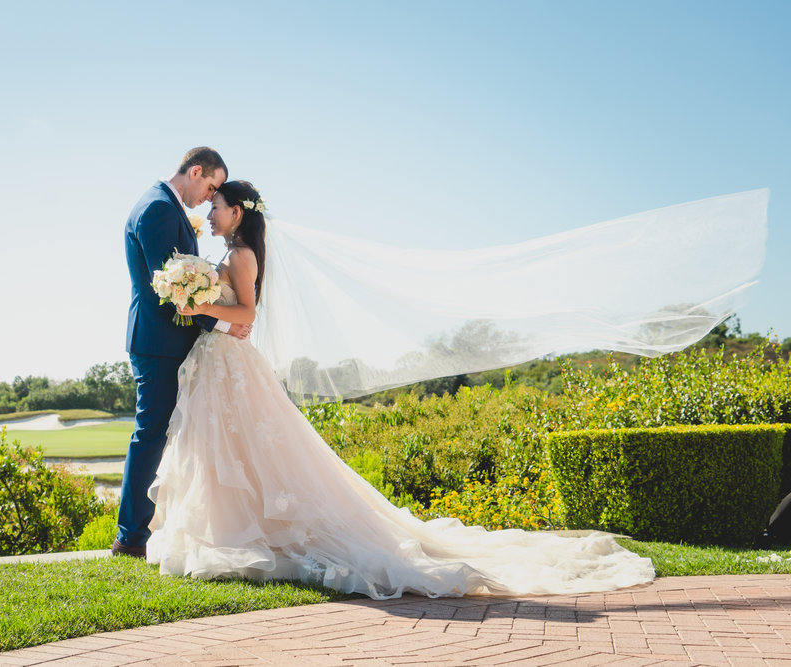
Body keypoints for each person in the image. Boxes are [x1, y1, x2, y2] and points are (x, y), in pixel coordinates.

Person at [144, 179, 656, 599]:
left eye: (216, 206)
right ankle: (230, 527)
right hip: (219, 362)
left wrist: (199, 306)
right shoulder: (231, 251)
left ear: (237, 211)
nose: (209, 213)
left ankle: (250, 532)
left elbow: (247, 314)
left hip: (231, 363)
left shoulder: (243, 256)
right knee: (228, 451)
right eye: (210, 205)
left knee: (250, 448)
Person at [113, 148, 252, 559]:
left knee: (171, 436)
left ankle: (160, 528)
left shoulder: (165, 206)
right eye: (209, 186)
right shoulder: (157, 209)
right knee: (151, 433)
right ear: (195, 171)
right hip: (158, 344)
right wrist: (226, 324)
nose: (210, 198)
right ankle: (131, 537)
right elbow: (173, 289)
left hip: (170, 343)